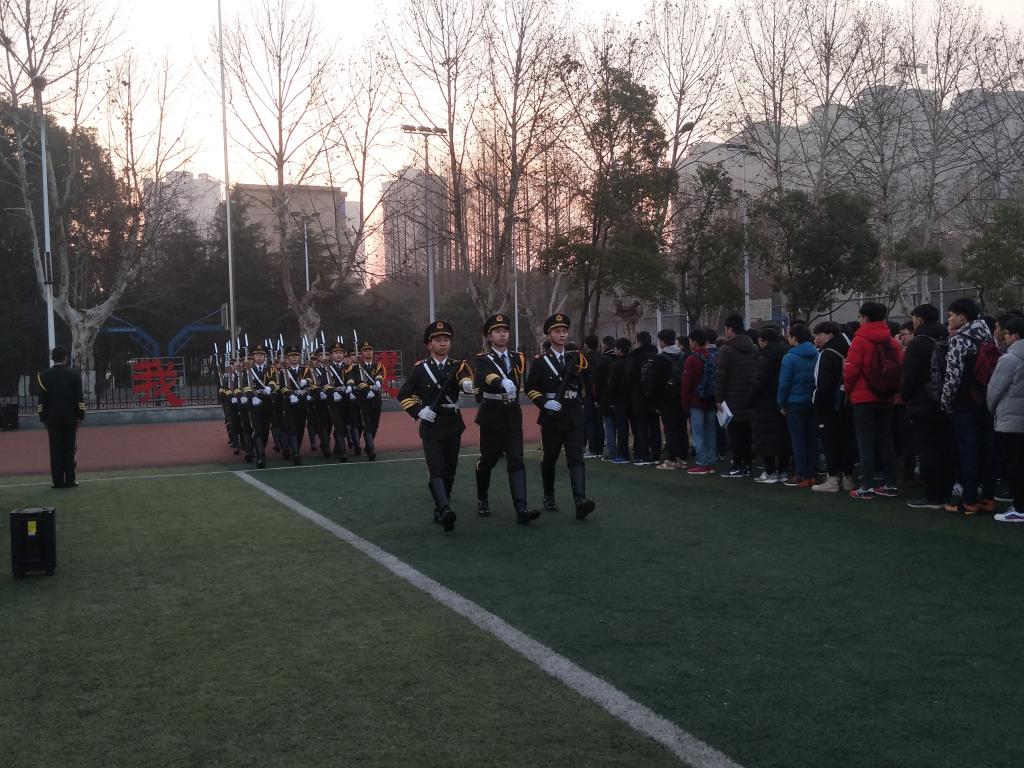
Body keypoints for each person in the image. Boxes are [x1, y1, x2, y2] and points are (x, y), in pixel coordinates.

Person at [397, 320, 474, 533]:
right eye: (438, 340)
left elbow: (465, 378)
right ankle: (444, 509)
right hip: (431, 425)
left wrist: (467, 384)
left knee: (450, 469)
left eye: (446, 339)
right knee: (436, 468)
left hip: (453, 423)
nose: (443, 343)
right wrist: (419, 411)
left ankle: (442, 505)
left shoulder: (458, 366)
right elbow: (404, 395)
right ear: (429, 344)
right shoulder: (421, 369)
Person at [524, 313, 595, 518]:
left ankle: (580, 500)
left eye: (564, 331)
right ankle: (549, 495)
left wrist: (579, 399)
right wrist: (545, 402)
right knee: (550, 459)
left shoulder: (576, 359)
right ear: (549, 335)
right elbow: (530, 388)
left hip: (573, 415)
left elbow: (584, 385)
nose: (562, 335)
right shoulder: (541, 362)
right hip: (552, 417)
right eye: (557, 331)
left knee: (576, 459)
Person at [473, 313, 541, 525]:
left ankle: (521, 507)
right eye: (497, 332)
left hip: (512, 414)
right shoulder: (483, 359)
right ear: (489, 336)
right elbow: (485, 375)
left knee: (516, 460)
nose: (502, 335)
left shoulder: (517, 357)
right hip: (492, 414)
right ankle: (482, 498)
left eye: (505, 331)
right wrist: (500, 381)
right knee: (488, 460)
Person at [942, 297, 999, 515]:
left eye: (950, 316)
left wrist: (946, 402)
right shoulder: (988, 337)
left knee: (968, 453)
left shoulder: (960, 339)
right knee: (988, 451)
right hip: (987, 402)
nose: (949, 320)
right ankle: (988, 499)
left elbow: (953, 376)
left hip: (965, 403)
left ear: (962, 317)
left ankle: (969, 501)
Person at [844, 302, 901, 499]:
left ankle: (866, 485)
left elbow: (851, 370)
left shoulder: (859, 340)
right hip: (886, 396)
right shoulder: (892, 341)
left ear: (865, 317)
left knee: (865, 442)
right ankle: (890, 483)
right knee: (886, 440)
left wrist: (849, 391)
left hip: (863, 397)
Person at [901, 305, 954, 509]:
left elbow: (910, 376)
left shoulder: (918, 343)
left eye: (914, 317)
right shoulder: (948, 338)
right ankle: (945, 492)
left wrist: (905, 397)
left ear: (920, 319)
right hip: (946, 401)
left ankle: (932, 495)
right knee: (945, 449)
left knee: (927, 451)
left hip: (923, 402)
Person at [987, 317, 1024, 522]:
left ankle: (1019, 508)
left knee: (1014, 465)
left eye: (1006, 333)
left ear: (1015, 335)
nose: (1004, 337)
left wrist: (993, 411)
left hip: (1010, 421)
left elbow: (994, 390)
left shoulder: (1009, 359)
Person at [811, 321, 854, 492]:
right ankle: (848, 478)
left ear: (829, 334)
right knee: (847, 441)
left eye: (819, 334)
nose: (817, 338)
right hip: (847, 402)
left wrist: (817, 402)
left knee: (830, 442)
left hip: (829, 405)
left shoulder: (826, 354)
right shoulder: (849, 349)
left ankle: (833, 480)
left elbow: (822, 384)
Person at [715, 314, 758, 478]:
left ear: (729, 329)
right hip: (749, 397)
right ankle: (747, 465)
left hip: (731, 399)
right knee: (747, 434)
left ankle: (737, 465)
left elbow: (721, 377)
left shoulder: (726, 350)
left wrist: (718, 399)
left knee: (734, 435)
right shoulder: (753, 348)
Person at [37, 346, 85, 489]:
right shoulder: (74, 374)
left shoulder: (43, 375)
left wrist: (42, 418)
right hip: (71, 418)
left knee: (55, 450)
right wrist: (80, 416)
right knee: (70, 449)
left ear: (52, 358)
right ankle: (70, 479)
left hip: (52, 419)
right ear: (65, 358)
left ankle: (57, 481)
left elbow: (41, 401)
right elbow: (79, 398)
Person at [777, 324, 819, 488]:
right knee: (812, 439)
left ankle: (801, 473)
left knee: (798, 440)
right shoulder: (816, 354)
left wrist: (781, 403)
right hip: (812, 401)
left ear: (795, 338)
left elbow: (784, 384)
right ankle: (812, 473)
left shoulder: (790, 357)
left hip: (795, 403)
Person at [749, 326, 790, 483]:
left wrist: (750, 399)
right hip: (783, 402)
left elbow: (757, 383)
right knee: (783, 438)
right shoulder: (786, 354)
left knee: (766, 440)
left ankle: (770, 471)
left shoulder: (764, 358)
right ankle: (783, 471)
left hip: (765, 403)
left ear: (764, 341)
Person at [681, 328, 718, 474]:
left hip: (697, 401)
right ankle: (710, 462)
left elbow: (686, 385)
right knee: (710, 432)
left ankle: (701, 463)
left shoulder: (692, 359)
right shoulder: (712, 357)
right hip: (711, 400)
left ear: (694, 342)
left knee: (698, 433)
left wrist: (685, 404)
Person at [652, 329, 687, 469]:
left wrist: (655, 402)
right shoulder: (683, 355)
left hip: (666, 398)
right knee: (681, 428)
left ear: (662, 342)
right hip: (681, 396)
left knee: (670, 428)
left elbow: (655, 383)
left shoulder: (659, 359)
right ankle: (682, 458)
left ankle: (671, 459)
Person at [626, 330, 661, 466]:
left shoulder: (634, 358)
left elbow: (629, 379)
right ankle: (656, 455)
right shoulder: (657, 357)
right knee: (655, 427)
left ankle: (644, 455)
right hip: (654, 397)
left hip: (639, 397)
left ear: (639, 342)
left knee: (641, 428)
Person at [277, 345, 316, 465]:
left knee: (300, 428)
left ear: (299, 357)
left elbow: (312, 380)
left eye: (296, 356)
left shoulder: (305, 369)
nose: (294, 358)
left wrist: (307, 381)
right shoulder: (284, 371)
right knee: (292, 428)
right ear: (288, 358)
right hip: (289, 402)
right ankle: (295, 453)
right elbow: (282, 386)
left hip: (302, 402)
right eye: (292, 356)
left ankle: (295, 448)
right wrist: (289, 395)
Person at [348, 341, 385, 461]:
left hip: (376, 398)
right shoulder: (356, 367)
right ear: (361, 353)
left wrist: (378, 381)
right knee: (367, 425)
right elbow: (357, 380)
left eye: (370, 350)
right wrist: (366, 389)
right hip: (363, 398)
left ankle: (369, 445)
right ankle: (371, 449)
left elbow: (379, 373)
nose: (368, 352)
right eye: (365, 350)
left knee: (375, 424)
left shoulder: (377, 364)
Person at [242, 343, 277, 468]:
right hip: (254, 401)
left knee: (265, 429)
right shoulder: (248, 370)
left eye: (262, 354)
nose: (260, 357)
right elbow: (245, 386)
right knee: (257, 429)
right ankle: (261, 456)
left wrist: (270, 387)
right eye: (257, 355)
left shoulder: (270, 369)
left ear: (265, 356)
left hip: (266, 400)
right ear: (253, 356)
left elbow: (274, 380)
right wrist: (252, 396)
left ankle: (258, 449)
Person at [606, 337, 632, 464]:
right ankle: (639, 452)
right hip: (631, 399)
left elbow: (612, 385)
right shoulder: (631, 362)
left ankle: (623, 454)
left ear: (620, 350)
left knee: (622, 429)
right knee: (633, 428)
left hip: (619, 401)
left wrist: (610, 401)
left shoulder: (616, 365)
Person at [323, 343, 351, 462]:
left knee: (344, 425)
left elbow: (351, 378)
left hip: (346, 399)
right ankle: (343, 452)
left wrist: (350, 387)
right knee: (339, 425)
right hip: (334, 400)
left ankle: (337, 448)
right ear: (331, 355)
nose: (338, 355)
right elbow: (325, 383)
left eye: (340, 352)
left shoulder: (348, 367)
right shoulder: (327, 368)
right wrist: (332, 392)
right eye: (336, 353)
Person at [593, 336, 616, 459]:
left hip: (605, 397)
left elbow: (597, 382)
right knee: (621, 425)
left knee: (608, 425)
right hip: (620, 397)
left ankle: (611, 451)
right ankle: (622, 451)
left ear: (605, 345)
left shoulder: (603, 360)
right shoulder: (619, 358)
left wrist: (597, 398)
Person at [581, 334, 604, 458]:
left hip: (589, 394)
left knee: (589, 422)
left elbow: (581, 378)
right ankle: (600, 449)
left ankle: (593, 449)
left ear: (586, 345)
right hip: (600, 394)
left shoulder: (584, 359)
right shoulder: (602, 357)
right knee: (599, 422)